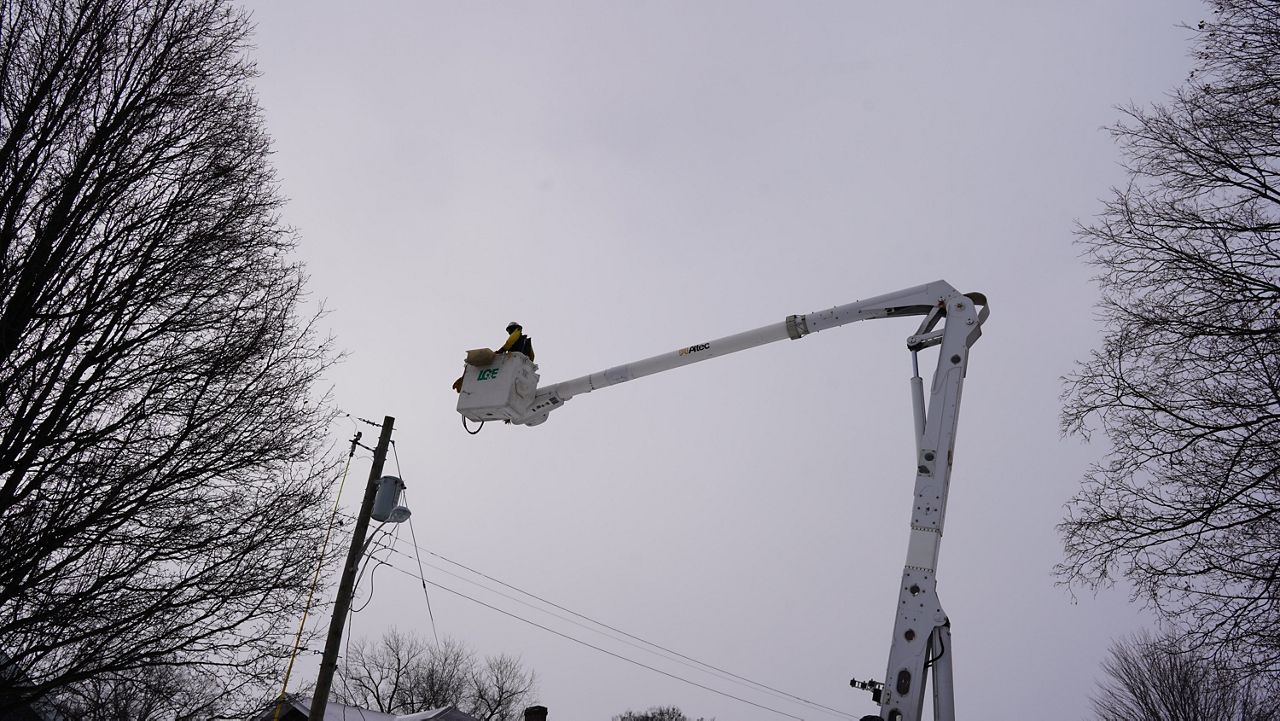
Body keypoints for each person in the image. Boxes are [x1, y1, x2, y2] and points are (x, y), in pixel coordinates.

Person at [452, 322, 534, 392]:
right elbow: (532, 355)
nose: (509, 332)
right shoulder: (526, 340)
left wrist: (502, 350)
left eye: (509, 330)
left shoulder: (517, 332)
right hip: (519, 364)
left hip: (513, 359)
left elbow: (510, 341)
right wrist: (529, 365)